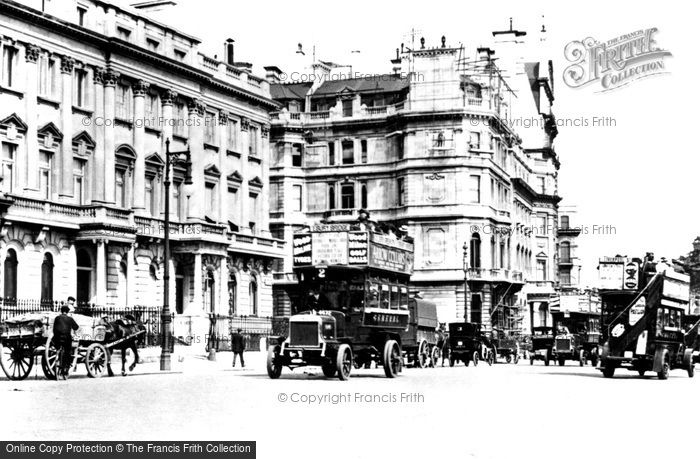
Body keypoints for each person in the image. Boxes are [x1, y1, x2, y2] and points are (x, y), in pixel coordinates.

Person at [52, 298, 78, 380]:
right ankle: (65, 369)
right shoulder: (70, 319)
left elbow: (54, 329)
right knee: (68, 353)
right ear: (67, 312)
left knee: (58, 349)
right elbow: (76, 327)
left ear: (61, 311)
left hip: (57, 339)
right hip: (66, 338)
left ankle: (57, 355)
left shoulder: (57, 318)